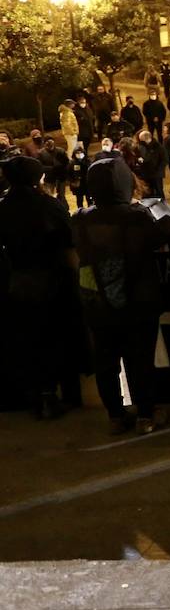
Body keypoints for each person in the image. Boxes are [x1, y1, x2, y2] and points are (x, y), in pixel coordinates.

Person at [72, 158, 170, 435]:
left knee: (106, 361)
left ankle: (115, 415)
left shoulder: (80, 220)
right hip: (138, 300)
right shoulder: (137, 217)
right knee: (140, 359)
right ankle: (145, 415)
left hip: (97, 302)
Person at [0, 155, 79, 418]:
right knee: (54, 337)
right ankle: (55, 395)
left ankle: (36, 395)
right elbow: (69, 242)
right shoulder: (48, 206)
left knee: (28, 339)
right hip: (51, 279)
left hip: (19, 280)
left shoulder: (4, 207)